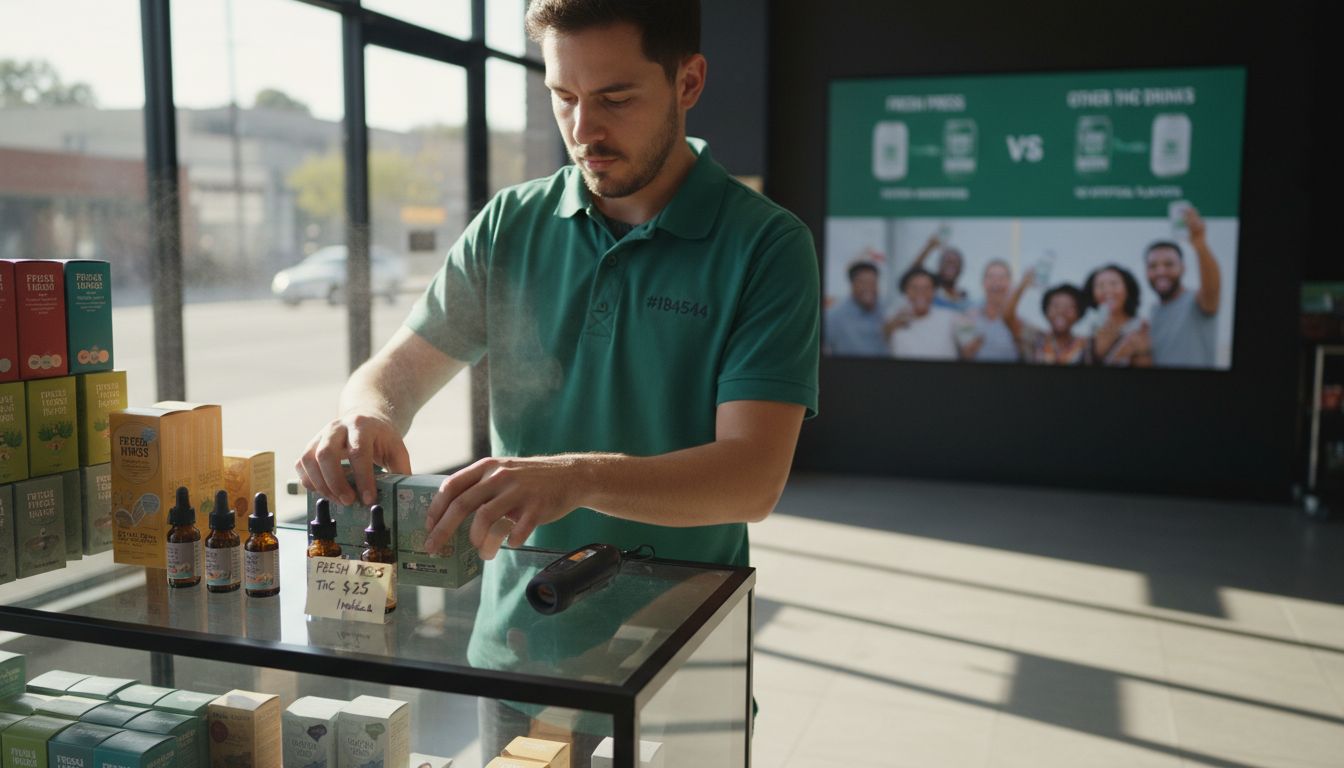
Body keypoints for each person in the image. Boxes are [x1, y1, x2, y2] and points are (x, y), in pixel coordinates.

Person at [294, 1, 817, 761]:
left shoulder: (766, 246)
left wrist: (575, 478)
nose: (584, 128)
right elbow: (393, 375)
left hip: (686, 660)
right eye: (563, 97)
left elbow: (751, 480)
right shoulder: (512, 226)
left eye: (615, 97)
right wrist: (364, 415)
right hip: (520, 656)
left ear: (689, 81)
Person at [1146, 205, 1221, 367]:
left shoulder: (1196, 302)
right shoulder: (1152, 313)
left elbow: (1212, 289)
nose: (1160, 271)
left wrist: (1200, 245)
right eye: (1153, 266)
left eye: (1169, 264)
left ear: (1183, 268)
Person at [1003, 272, 1090, 365]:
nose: (1061, 311)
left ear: (1079, 313)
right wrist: (1022, 285)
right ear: (1046, 310)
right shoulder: (1035, 338)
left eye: (1069, 307)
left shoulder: (1086, 345)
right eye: (1056, 306)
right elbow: (1008, 316)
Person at [1083, 264, 1151, 367]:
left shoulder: (1140, 328)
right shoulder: (1086, 329)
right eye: (1100, 285)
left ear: (1128, 289)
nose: (1107, 290)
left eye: (1114, 284)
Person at [886, 267, 959, 360]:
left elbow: (969, 343)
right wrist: (889, 327)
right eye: (914, 288)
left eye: (926, 288)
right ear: (906, 291)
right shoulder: (892, 319)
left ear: (934, 291)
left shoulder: (951, 317)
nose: (920, 293)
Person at [958, 259, 1020, 363]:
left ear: (1009, 283)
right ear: (983, 283)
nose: (996, 282)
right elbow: (965, 354)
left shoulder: (1019, 321)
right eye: (991, 277)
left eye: (1001, 278)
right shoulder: (968, 316)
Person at [824, 259, 888, 357]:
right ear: (852, 284)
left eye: (873, 283)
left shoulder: (886, 311)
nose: (869, 287)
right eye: (863, 282)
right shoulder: (833, 317)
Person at [908, 230, 970, 311]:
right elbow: (912, 274)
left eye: (955, 263)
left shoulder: (964, 299)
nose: (951, 265)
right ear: (939, 266)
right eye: (947, 262)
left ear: (961, 268)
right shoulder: (932, 293)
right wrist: (929, 247)